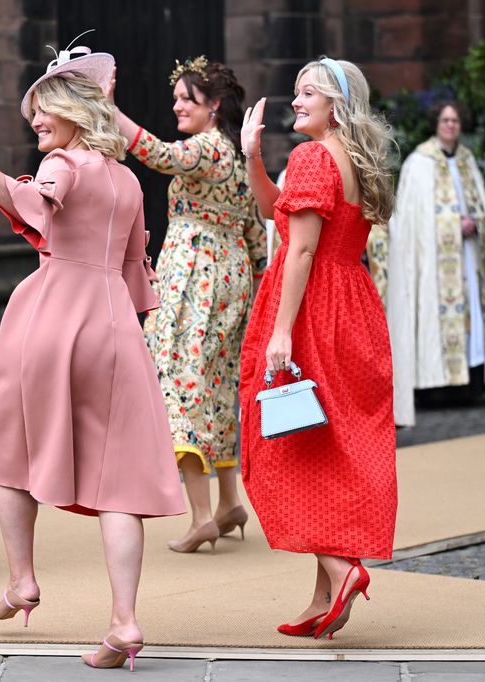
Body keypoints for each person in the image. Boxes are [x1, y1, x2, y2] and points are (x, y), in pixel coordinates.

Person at [0, 41, 185, 671]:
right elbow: (139, 272)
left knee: (9, 450)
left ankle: (22, 581)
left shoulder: (63, 163)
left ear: (75, 114)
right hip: (116, 325)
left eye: (43, 110)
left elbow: (34, 202)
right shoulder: (129, 179)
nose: (35, 121)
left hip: (53, 314)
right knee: (121, 485)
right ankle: (125, 622)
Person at [239, 57, 397, 640]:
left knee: (282, 447)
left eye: (309, 93)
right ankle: (323, 592)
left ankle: (339, 568)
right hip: (353, 306)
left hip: (312, 310)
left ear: (336, 105)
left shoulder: (311, 156)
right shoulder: (348, 157)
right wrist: (252, 156)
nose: (295, 100)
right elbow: (276, 211)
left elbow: (300, 250)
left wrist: (281, 331)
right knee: (325, 449)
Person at [109, 57, 267, 553]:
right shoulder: (235, 159)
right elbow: (255, 236)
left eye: (187, 99)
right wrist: (260, 288)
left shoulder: (206, 148)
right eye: (175, 97)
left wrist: (110, 109)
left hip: (195, 273)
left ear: (214, 106)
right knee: (215, 383)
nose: (176, 104)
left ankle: (201, 515)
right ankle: (227, 502)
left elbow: (157, 155)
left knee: (176, 378)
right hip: (232, 275)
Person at [386, 101, 485, 426]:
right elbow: (414, 221)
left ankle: (469, 382)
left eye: (455, 120)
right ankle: (436, 386)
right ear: (436, 123)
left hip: (467, 258)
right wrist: (453, 225)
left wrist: (474, 222)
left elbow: (481, 207)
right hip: (435, 264)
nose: (451, 125)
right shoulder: (419, 163)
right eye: (445, 120)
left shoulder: (468, 160)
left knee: (471, 311)